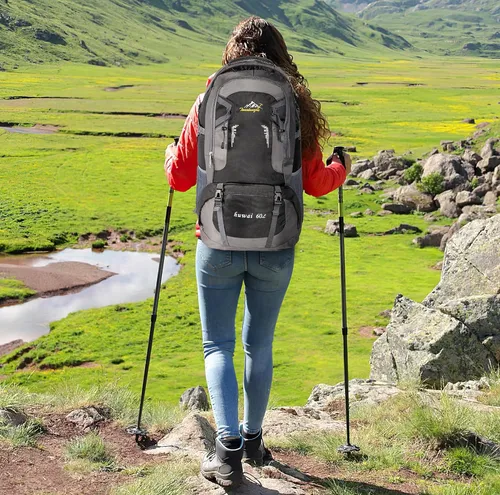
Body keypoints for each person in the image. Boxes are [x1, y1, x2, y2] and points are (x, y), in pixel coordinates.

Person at [164, 16, 351, 488]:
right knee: (258, 344)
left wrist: (170, 154)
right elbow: (317, 182)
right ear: (281, 53)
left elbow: (181, 177)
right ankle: (253, 439)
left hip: (218, 243)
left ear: (233, 51)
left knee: (217, 345)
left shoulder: (209, 98)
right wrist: (340, 167)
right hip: (275, 246)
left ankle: (225, 453)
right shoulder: (293, 103)